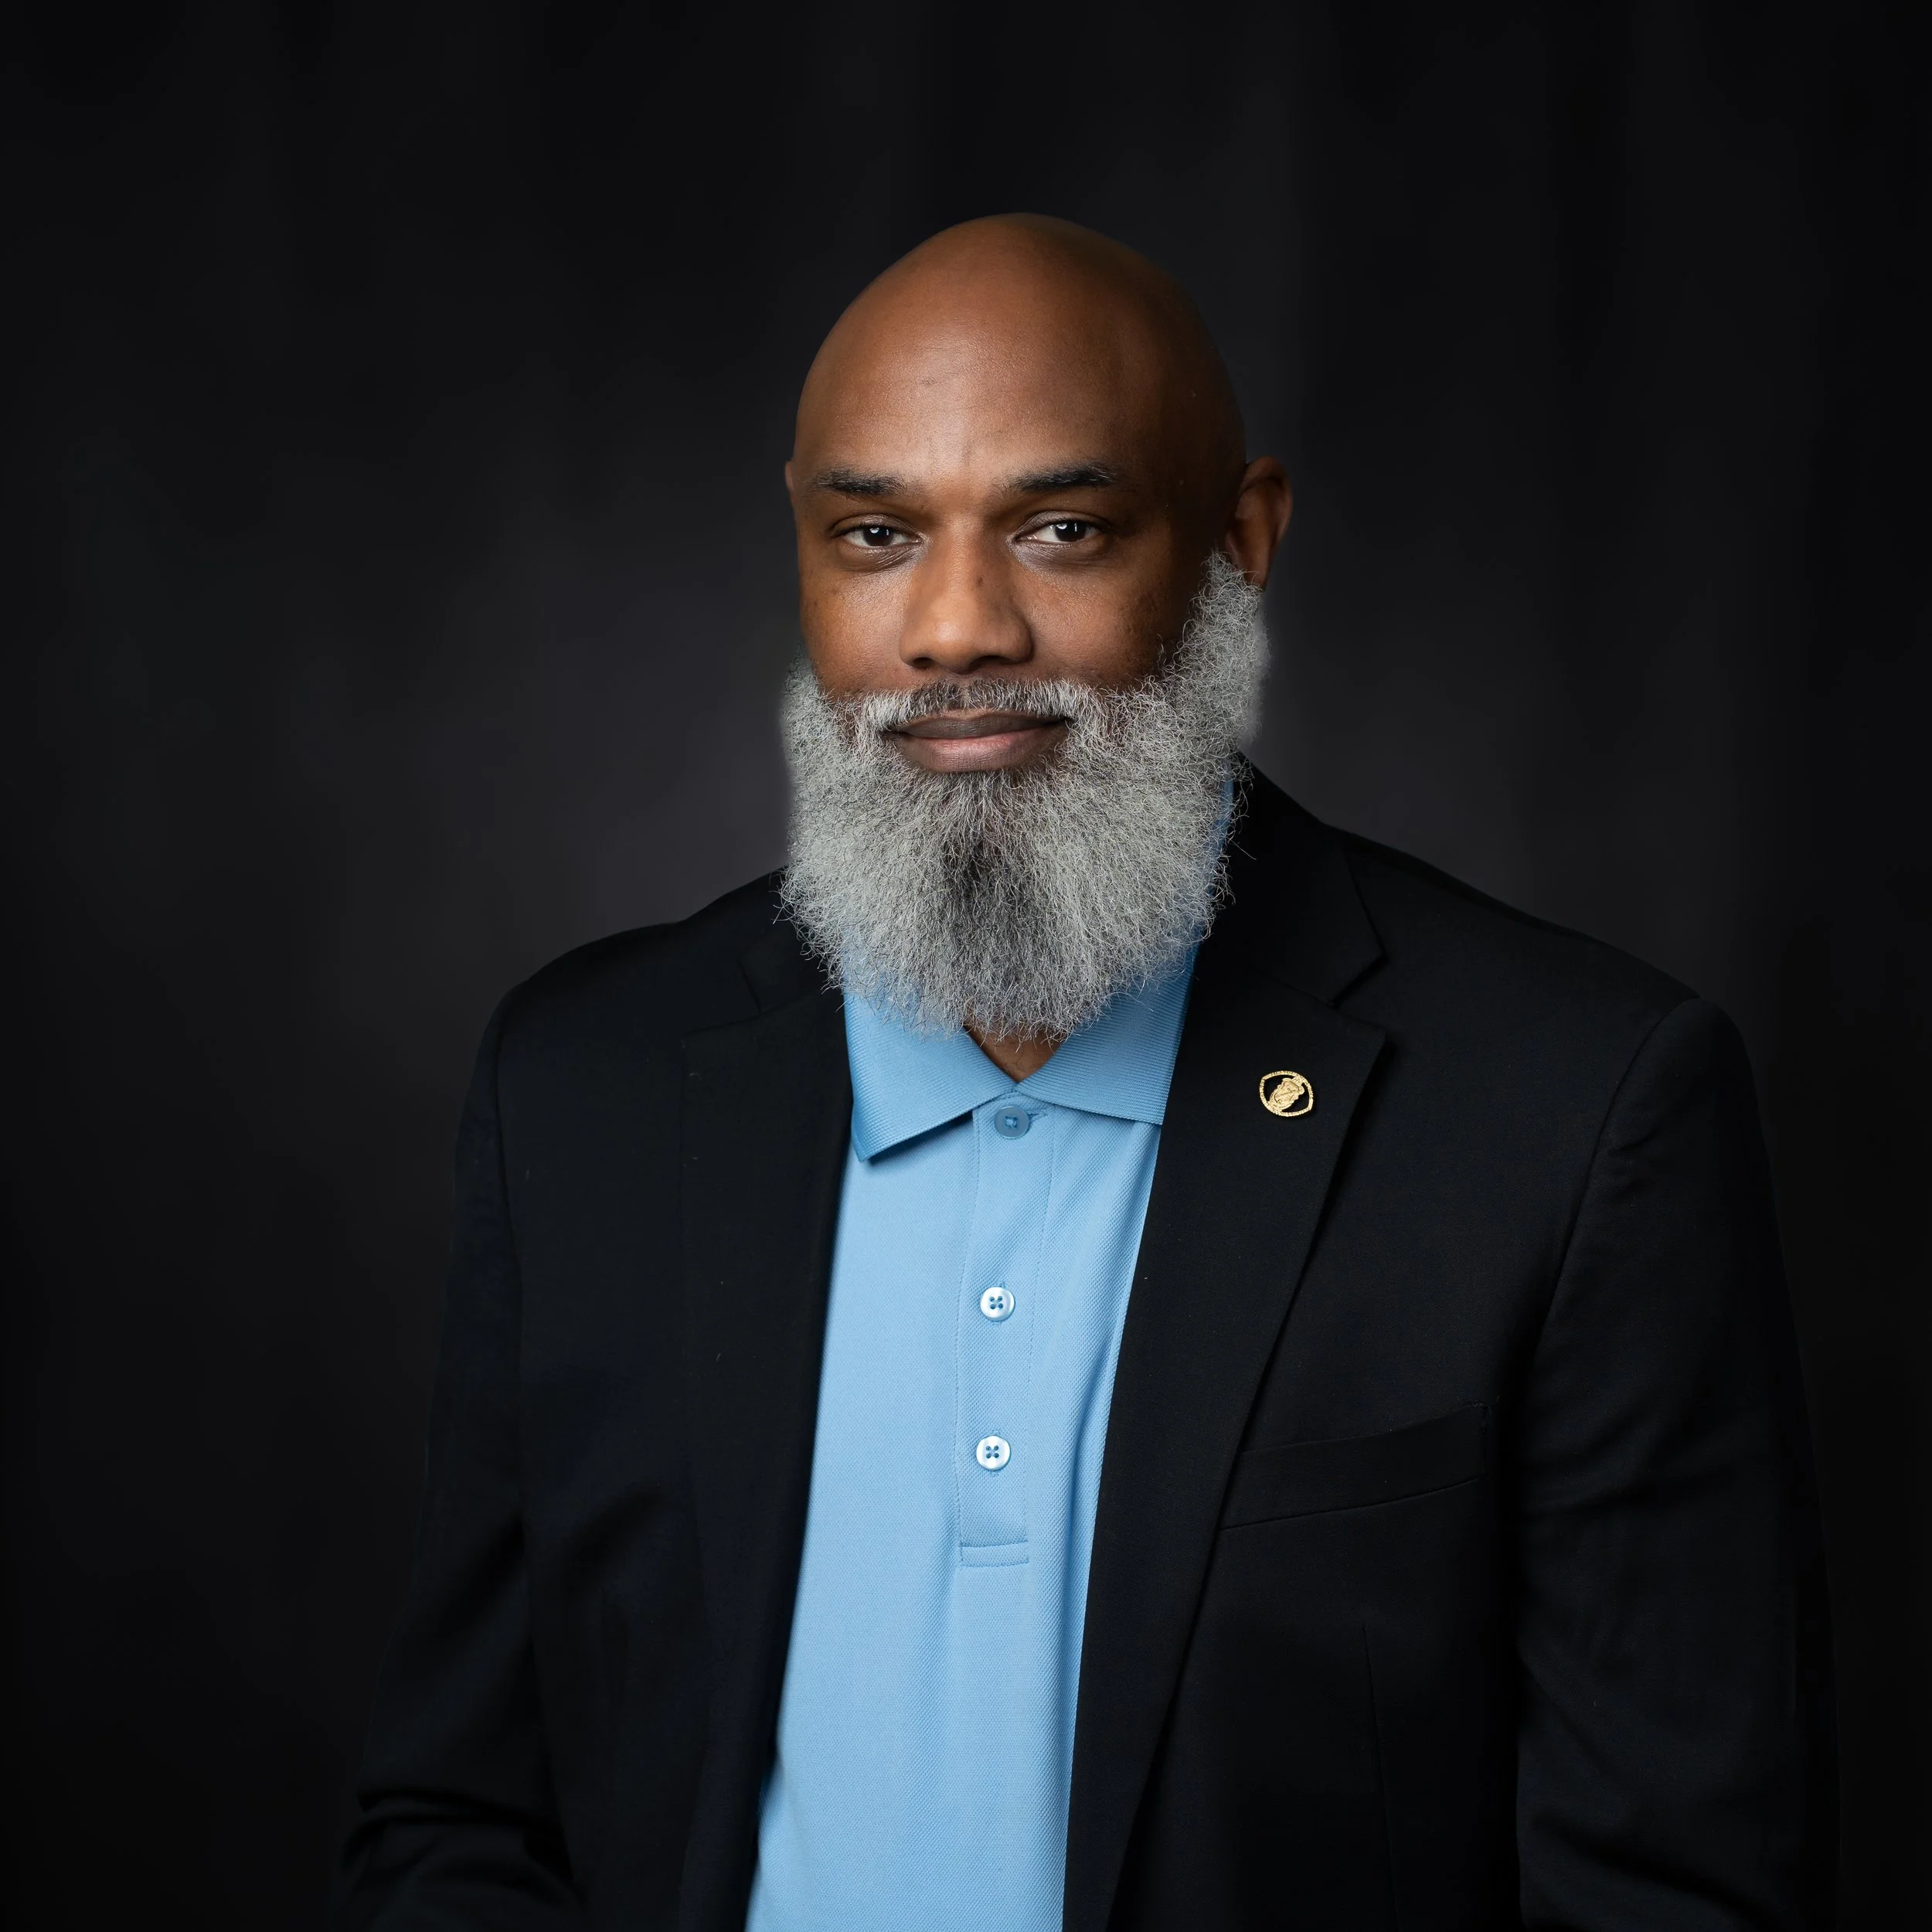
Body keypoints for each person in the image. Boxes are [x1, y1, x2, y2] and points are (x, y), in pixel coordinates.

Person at [335, 216, 1833, 1930]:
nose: (956, 627)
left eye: (1060, 526)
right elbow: (455, 1819)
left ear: (1236, 541)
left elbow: (1674, 1893)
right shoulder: (577, 1091)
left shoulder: (1572, 1115)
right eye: (876, 533)